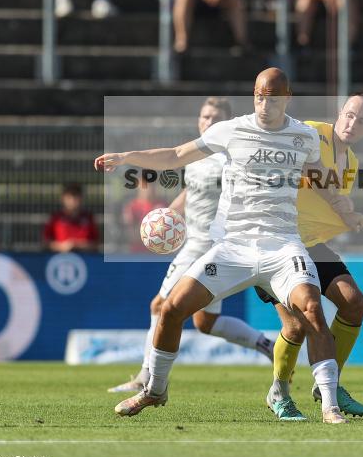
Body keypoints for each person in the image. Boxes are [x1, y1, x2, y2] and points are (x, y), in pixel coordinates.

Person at [96, 68, 361, 424]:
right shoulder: (232, 129)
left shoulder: (304, 136)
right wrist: (127, 156)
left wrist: (344, 208)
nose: (264, 104)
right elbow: (175, 155)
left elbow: (322, 181)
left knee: (312, 310)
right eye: (258, 95)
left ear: (287, 98)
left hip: (282, 246)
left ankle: (329, 404)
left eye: (272, 97)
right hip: (233, 247)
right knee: (172, 308)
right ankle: (154, 390)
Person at [108, 97, 275, 394]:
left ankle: (145, 377)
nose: (207, 122)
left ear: (225, 123)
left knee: (159, 306)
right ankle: (266, 344)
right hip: (196, 242)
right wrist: (168, 216)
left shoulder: (232, 158)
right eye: (204, 116)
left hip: (207, 245)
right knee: (205, 322)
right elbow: (191, 189)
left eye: (214, 118)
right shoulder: (197, 155)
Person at [259, 93, 363, 421]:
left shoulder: (351, 163)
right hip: (274, 241)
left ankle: (330, 384)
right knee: (297, 324)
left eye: (362, 120)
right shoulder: (310, 132)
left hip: (310, 244)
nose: (353, 123)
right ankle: (278, 391)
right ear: (340, 113)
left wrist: (350, 217)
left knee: (354, 302)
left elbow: (328, 205)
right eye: (350, 115)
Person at [43, 182, 99, 253]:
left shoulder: (88, 218)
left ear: (81, 198)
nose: (72, 201)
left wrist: (77, 245)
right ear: (63, 198)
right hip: (60, 259)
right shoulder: (55, 218)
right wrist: (62, 247)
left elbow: (96, 244)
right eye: (69, 197)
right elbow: (45, 243)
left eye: (75, 197)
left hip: (85, 259)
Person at [122, 179, 168, 253]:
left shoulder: (162, 206)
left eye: (151, 186)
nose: (148, 189)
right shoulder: (132, 206)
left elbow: (168, 230)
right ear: (139, 187)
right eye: (145, 186)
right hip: (138, 252)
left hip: (159, 252)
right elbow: (131, 234)